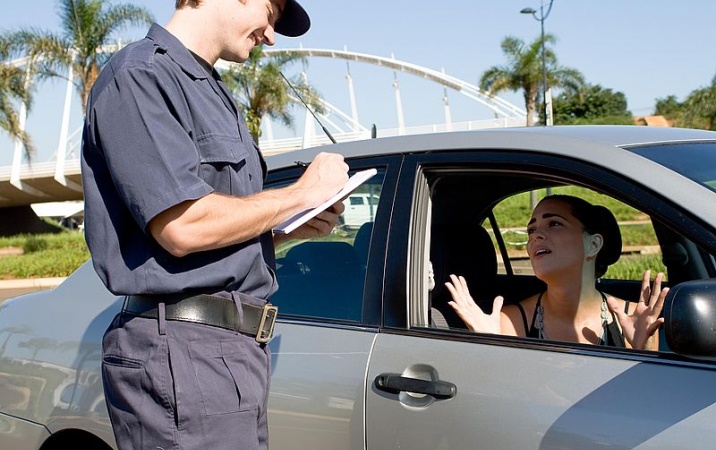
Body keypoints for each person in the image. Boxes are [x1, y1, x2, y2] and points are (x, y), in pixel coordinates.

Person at [80, 1, 349, 449]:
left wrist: (281, 226)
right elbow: (182, 226)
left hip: (224, 353)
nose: (271, 34)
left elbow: (208, 224)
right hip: (185, 352)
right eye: (270, 11)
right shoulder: (141, 75)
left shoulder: (210, 90)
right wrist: (301, 193)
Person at [445, 195, 668, 350]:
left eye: (554, 224)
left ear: (593, 244)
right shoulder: (511, 321)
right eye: (531, 229)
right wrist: (490, 345)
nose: (536, 236)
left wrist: (644, 352)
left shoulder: (632, 320)